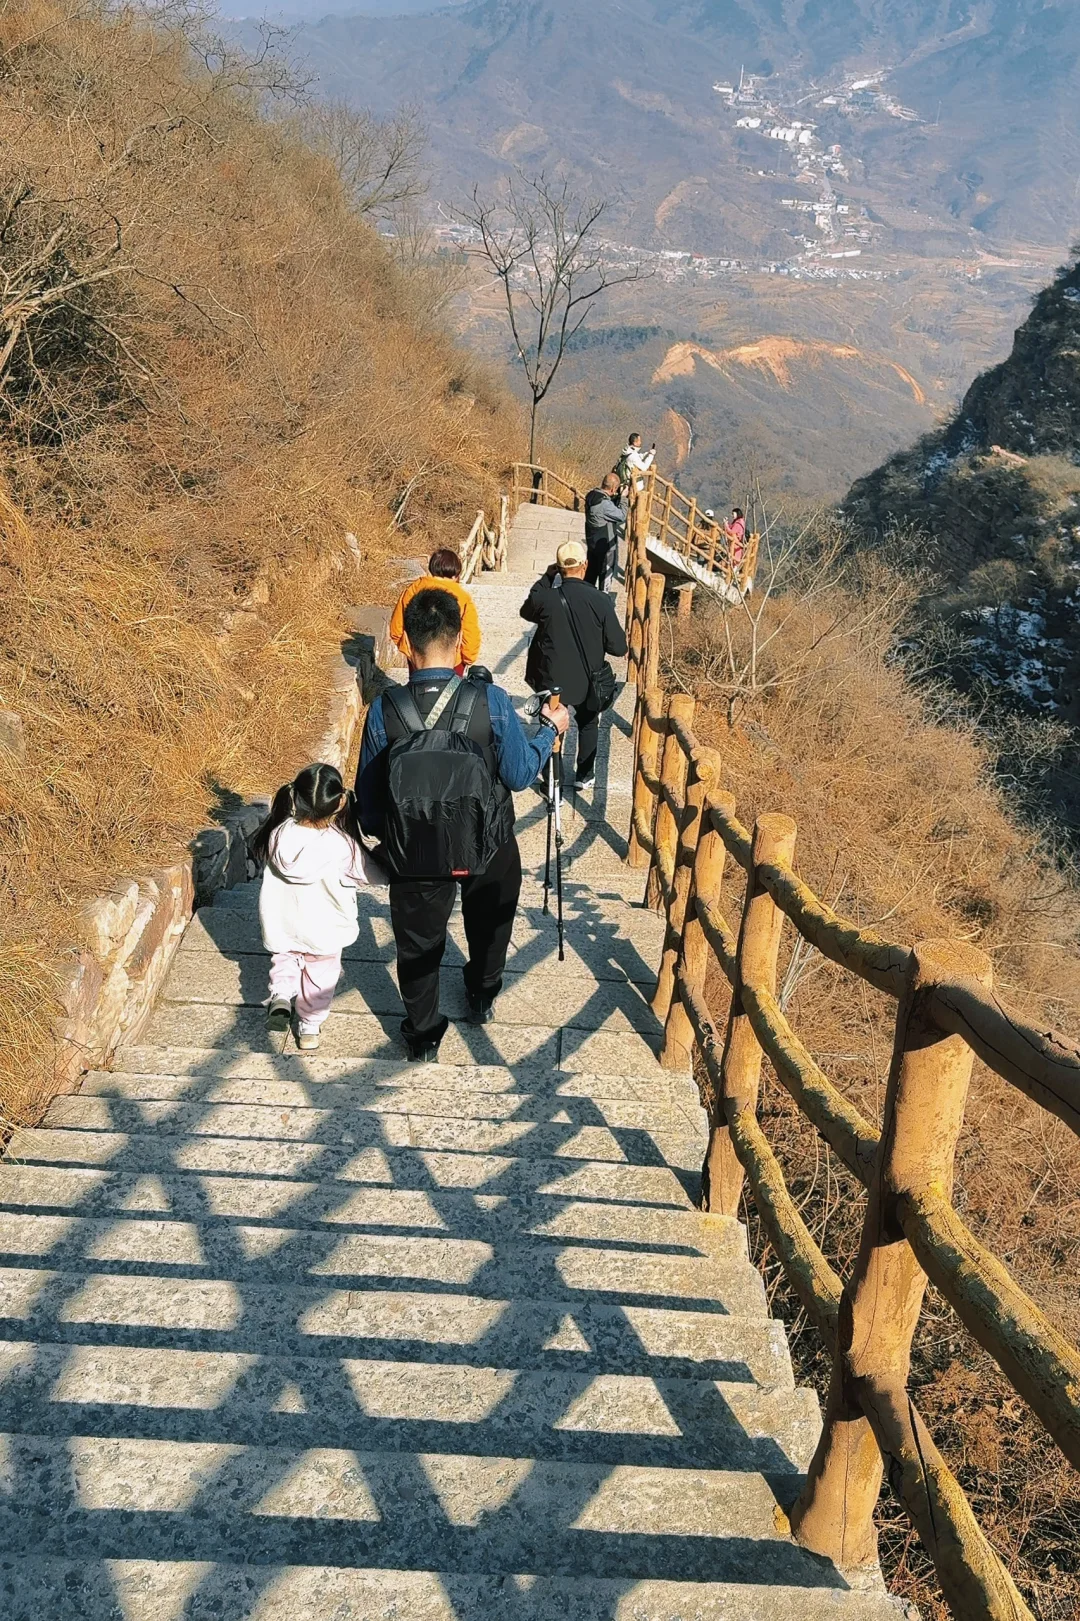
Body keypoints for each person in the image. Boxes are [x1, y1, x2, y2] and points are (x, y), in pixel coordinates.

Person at [357, 587, 569, 1061]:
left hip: (414, 852)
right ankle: (481, 992)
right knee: (491, 928)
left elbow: (370, 813)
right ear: (459, 642)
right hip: (487, 843)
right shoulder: (489, 700)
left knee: (416, 946)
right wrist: (549, 731)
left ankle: (424, 1032)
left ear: (405, 644)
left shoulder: (383, 711)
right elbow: (515, 774)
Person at [253, 762, 387, 1053]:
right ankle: (310, 1027)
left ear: (295, 797)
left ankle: (281, 995)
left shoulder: (277, 832)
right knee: (320, 975)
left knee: (285, 958)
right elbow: (371, 875)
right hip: (324, 929)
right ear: (339, 803)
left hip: (284, 922)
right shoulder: (341, 845)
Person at [520, 537, 628, 792]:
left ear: (558, 567)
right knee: (589, 722)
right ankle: (584, 774)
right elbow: (618, 647)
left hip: (552, 677)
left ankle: (552, 780)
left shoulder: (546, 598)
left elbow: (527, 610)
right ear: (585, 565)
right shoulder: (601, 600)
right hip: (588, 678)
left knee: (552, 723)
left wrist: (546, 578)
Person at [389, 548, 481, 671]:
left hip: (418, 657)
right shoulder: (463, 597)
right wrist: (468, 658)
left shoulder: (412, 590)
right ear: (456, 573)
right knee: (450, 690)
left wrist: (408, 649)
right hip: (453, 663)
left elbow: (396, 629)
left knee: (418, 689)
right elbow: (470, 633)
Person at [583, 472, 626, 592]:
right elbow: (622, 516)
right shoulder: (605, 504)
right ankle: (602, 601)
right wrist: (623, 498)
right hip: (606, 547)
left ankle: (585, 599)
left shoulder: (591, 495)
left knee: (590, 575)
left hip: (592, 544)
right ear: (613, 488)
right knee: (605, 578)